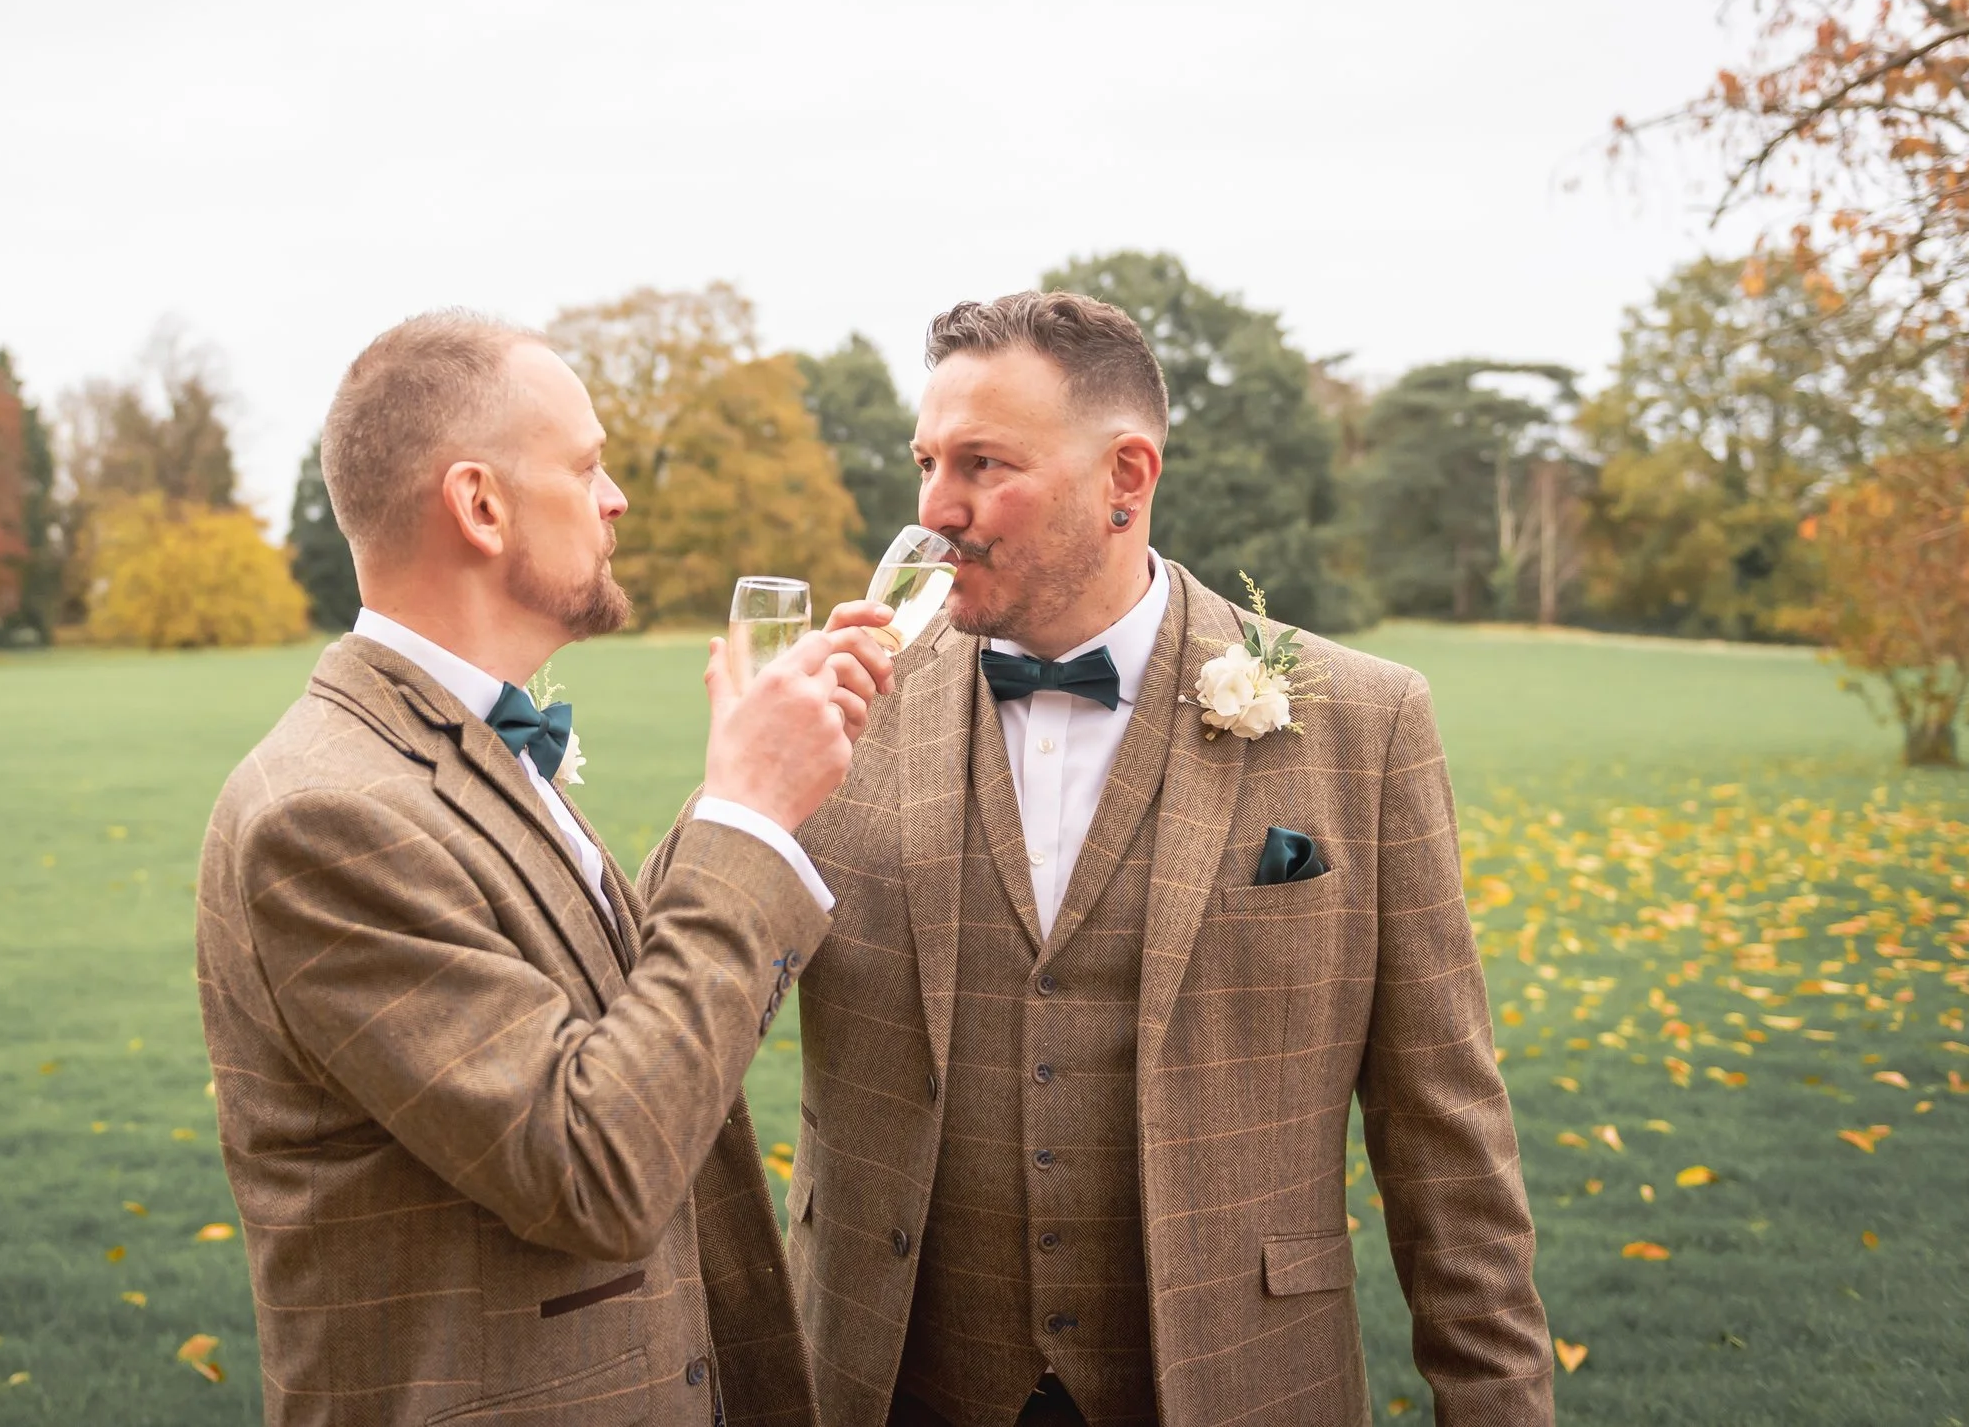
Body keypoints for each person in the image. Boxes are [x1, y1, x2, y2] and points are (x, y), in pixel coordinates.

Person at [646, 291, 1554, 1426]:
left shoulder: (1362, 725)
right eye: (924, 462)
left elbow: (1447, 1146)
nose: (935, 507)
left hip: (1242, 1381)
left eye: (982, 463)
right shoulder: (844, 714)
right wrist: (743, 784)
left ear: (1127, 477)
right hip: (891, 1381)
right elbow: (656, 1018)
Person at [197, 312, 891, 1426]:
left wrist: (760, 787)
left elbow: (621, 1018)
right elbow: (596, 1163)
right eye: (586, 465)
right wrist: (745, 814)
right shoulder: (327, 815)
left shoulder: (453, 743)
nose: (615, 497)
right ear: (479, 505)